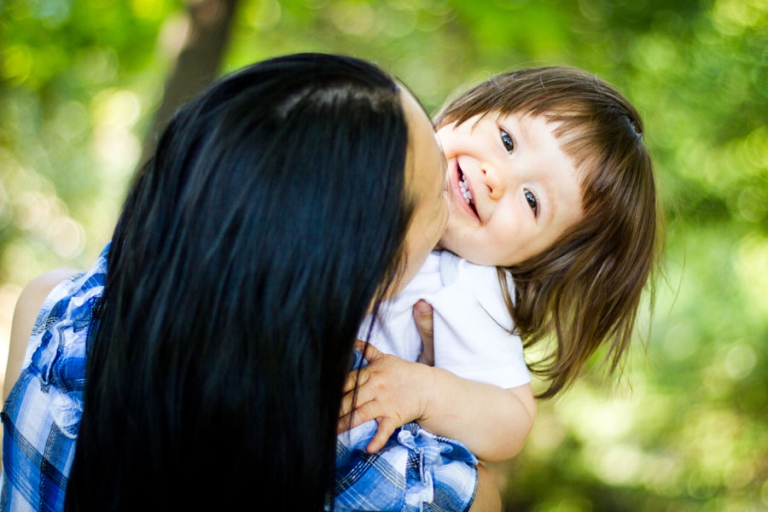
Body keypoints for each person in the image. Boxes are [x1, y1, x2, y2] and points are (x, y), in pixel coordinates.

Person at [0, 53, 486, 511]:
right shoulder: (415, 486)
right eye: (438, 189)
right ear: (368, 272)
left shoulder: (51, 320)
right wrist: (444, 390)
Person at [333, 66, 662, 510]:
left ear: (537, 258)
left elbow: (513, 421)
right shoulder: (367, 151)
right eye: (507, 141)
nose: (497, 178)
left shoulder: (468, 283)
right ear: (469, 109)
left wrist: (425, 390)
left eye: (531, 200)